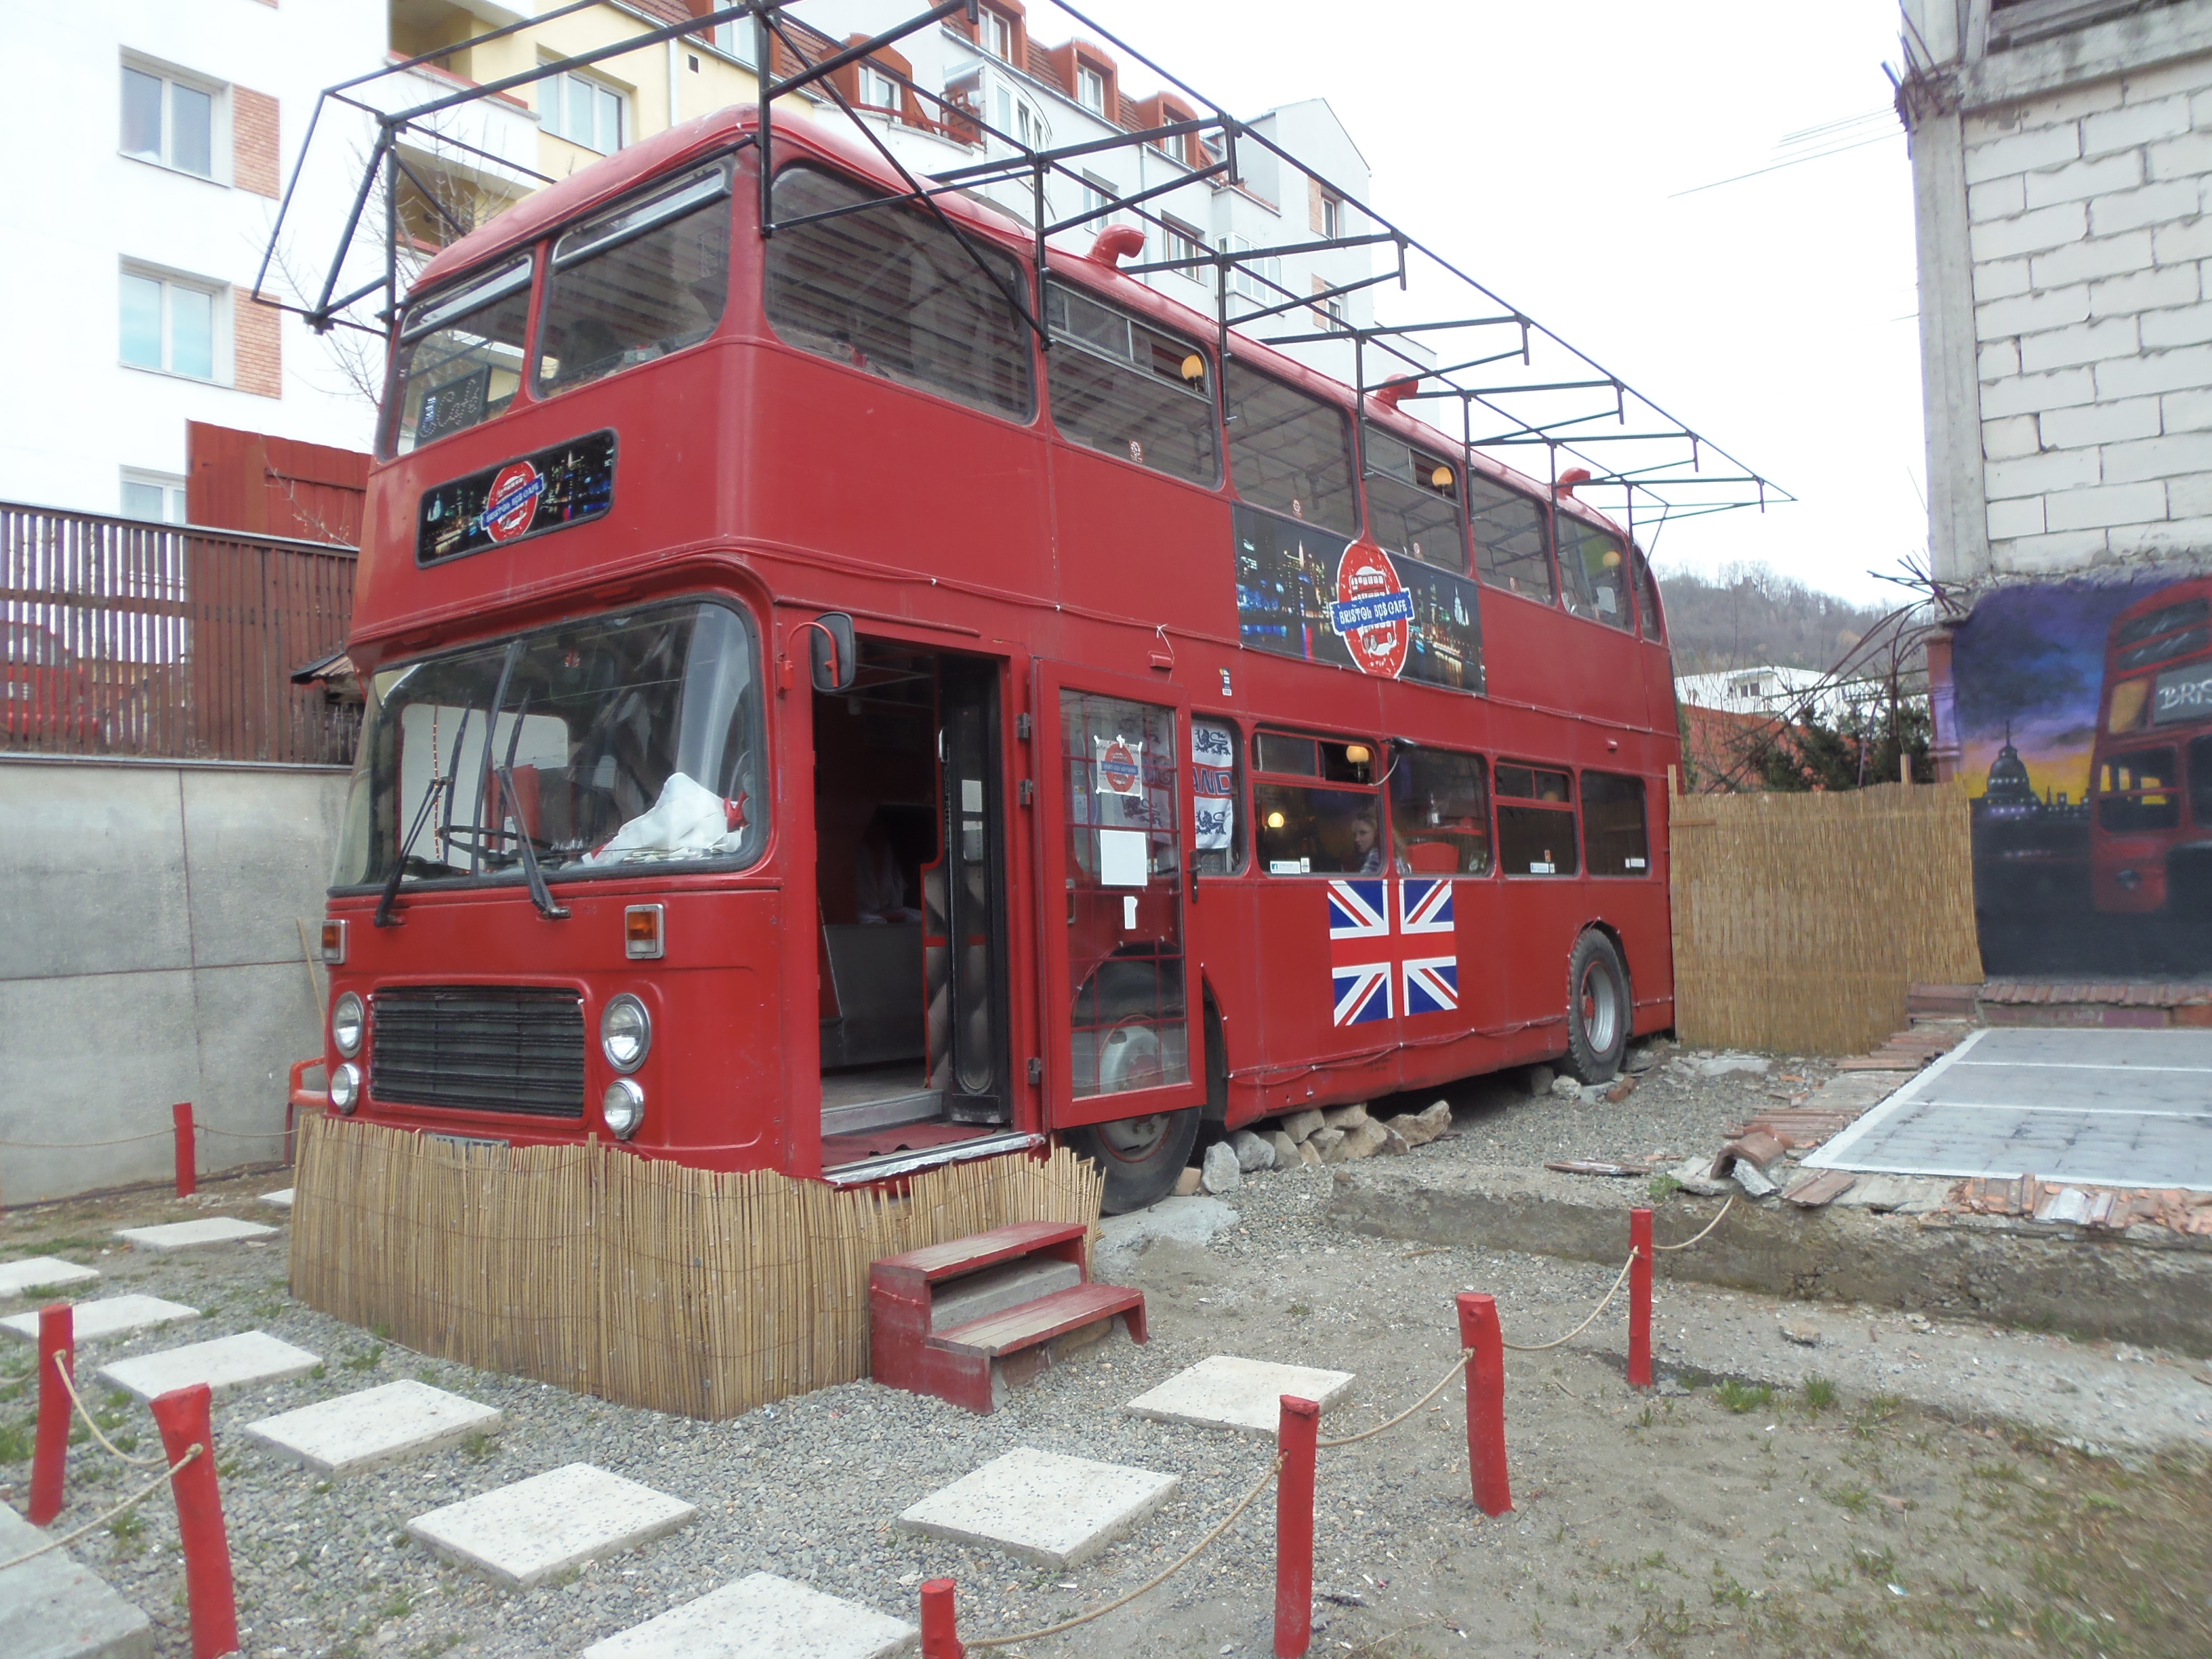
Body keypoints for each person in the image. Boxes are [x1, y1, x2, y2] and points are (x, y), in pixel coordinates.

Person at [855, 811, 923, 924]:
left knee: (922, 918)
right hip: (862, 920)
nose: (880, 834)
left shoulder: (889, 856)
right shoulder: (858, 857)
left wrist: (890, 916)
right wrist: (883, 918)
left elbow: (896, 904)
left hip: (887, 917)